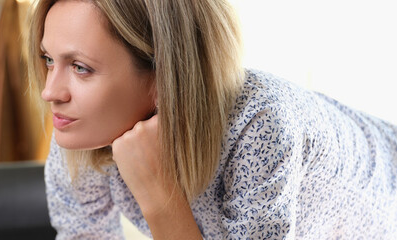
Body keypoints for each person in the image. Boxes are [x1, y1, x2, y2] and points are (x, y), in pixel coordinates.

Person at [25, 0, 397, 239]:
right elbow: (82, 235)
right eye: (48, 60)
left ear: (163, 76)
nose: (50, 91)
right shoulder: (81, 126)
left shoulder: (261, 125)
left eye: (80, 67)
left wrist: (160, 198)